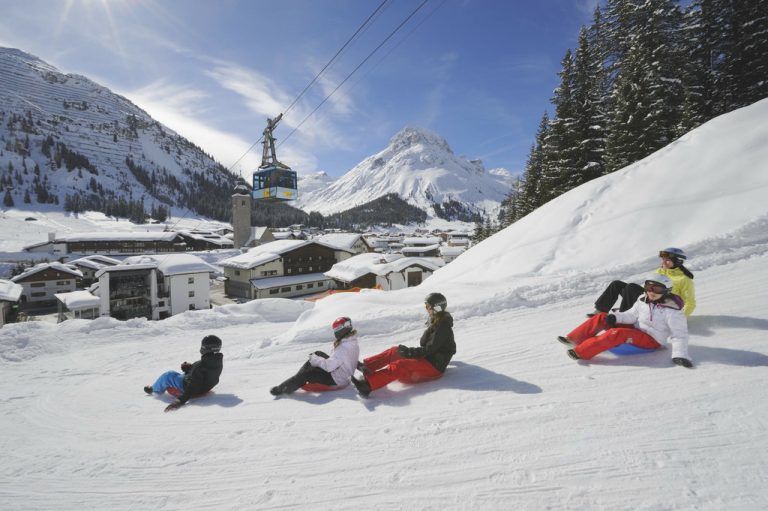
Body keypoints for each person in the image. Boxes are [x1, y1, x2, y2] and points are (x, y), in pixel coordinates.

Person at [559, 275, 693, 368]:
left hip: (652, 340)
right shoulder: (642, 299)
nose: (651, 292)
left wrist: (679, 355)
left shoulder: (672, 311)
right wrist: (616, 317)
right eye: (648, 287)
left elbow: (679, 334)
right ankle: (574, 338)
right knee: (603, 317)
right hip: (636, 329)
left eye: (657, 289)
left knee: (617, 333)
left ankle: (581, 352)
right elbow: (631, 315)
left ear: (666, 291)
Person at [351, 292, 456, 397]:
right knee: (395, 351)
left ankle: (368, 385)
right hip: (429, 358)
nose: (426, 308)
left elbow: (428, 349)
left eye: (428, 306)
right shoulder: (436, 321)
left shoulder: (443, 327)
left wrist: (409, 352)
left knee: (400, 365)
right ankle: (367, 367)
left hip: (434, 367)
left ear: (436, 308)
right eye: (426, 306)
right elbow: (426, 344)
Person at [590, 247, 696, 317]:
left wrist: (679, 319)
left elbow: (690, 303)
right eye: (663, 259)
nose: (663, 262)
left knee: (631, 287)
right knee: (616, 284)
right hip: (650, 298)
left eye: (667, 260)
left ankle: (624, 316)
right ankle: (600, 311)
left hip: (660, 306)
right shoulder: (660, 271)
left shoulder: (684, 279)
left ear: (678, 261)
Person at [270, 317, 360, 396]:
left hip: (336, 379)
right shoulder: (352, 341)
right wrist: (315, 359)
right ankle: (298, 376)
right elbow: (346, 359)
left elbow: (329, 367)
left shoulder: (343, 348)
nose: (335, 331)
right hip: (342, 373)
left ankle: (283, 388)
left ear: (341, 329)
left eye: (336, 328)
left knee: (305, 374)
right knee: (318, 353)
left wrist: (315, 360)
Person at [144, 335, 224, 412]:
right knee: (180, 375)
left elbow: (193, 385)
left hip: (190, 389)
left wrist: (179, 401)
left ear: (206, 348)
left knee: (168, 375)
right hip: (204, 387)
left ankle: (154, 390)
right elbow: (203, 373)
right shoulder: (217, 361)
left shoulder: (200, 366)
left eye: (202, 346)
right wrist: (190, 368)